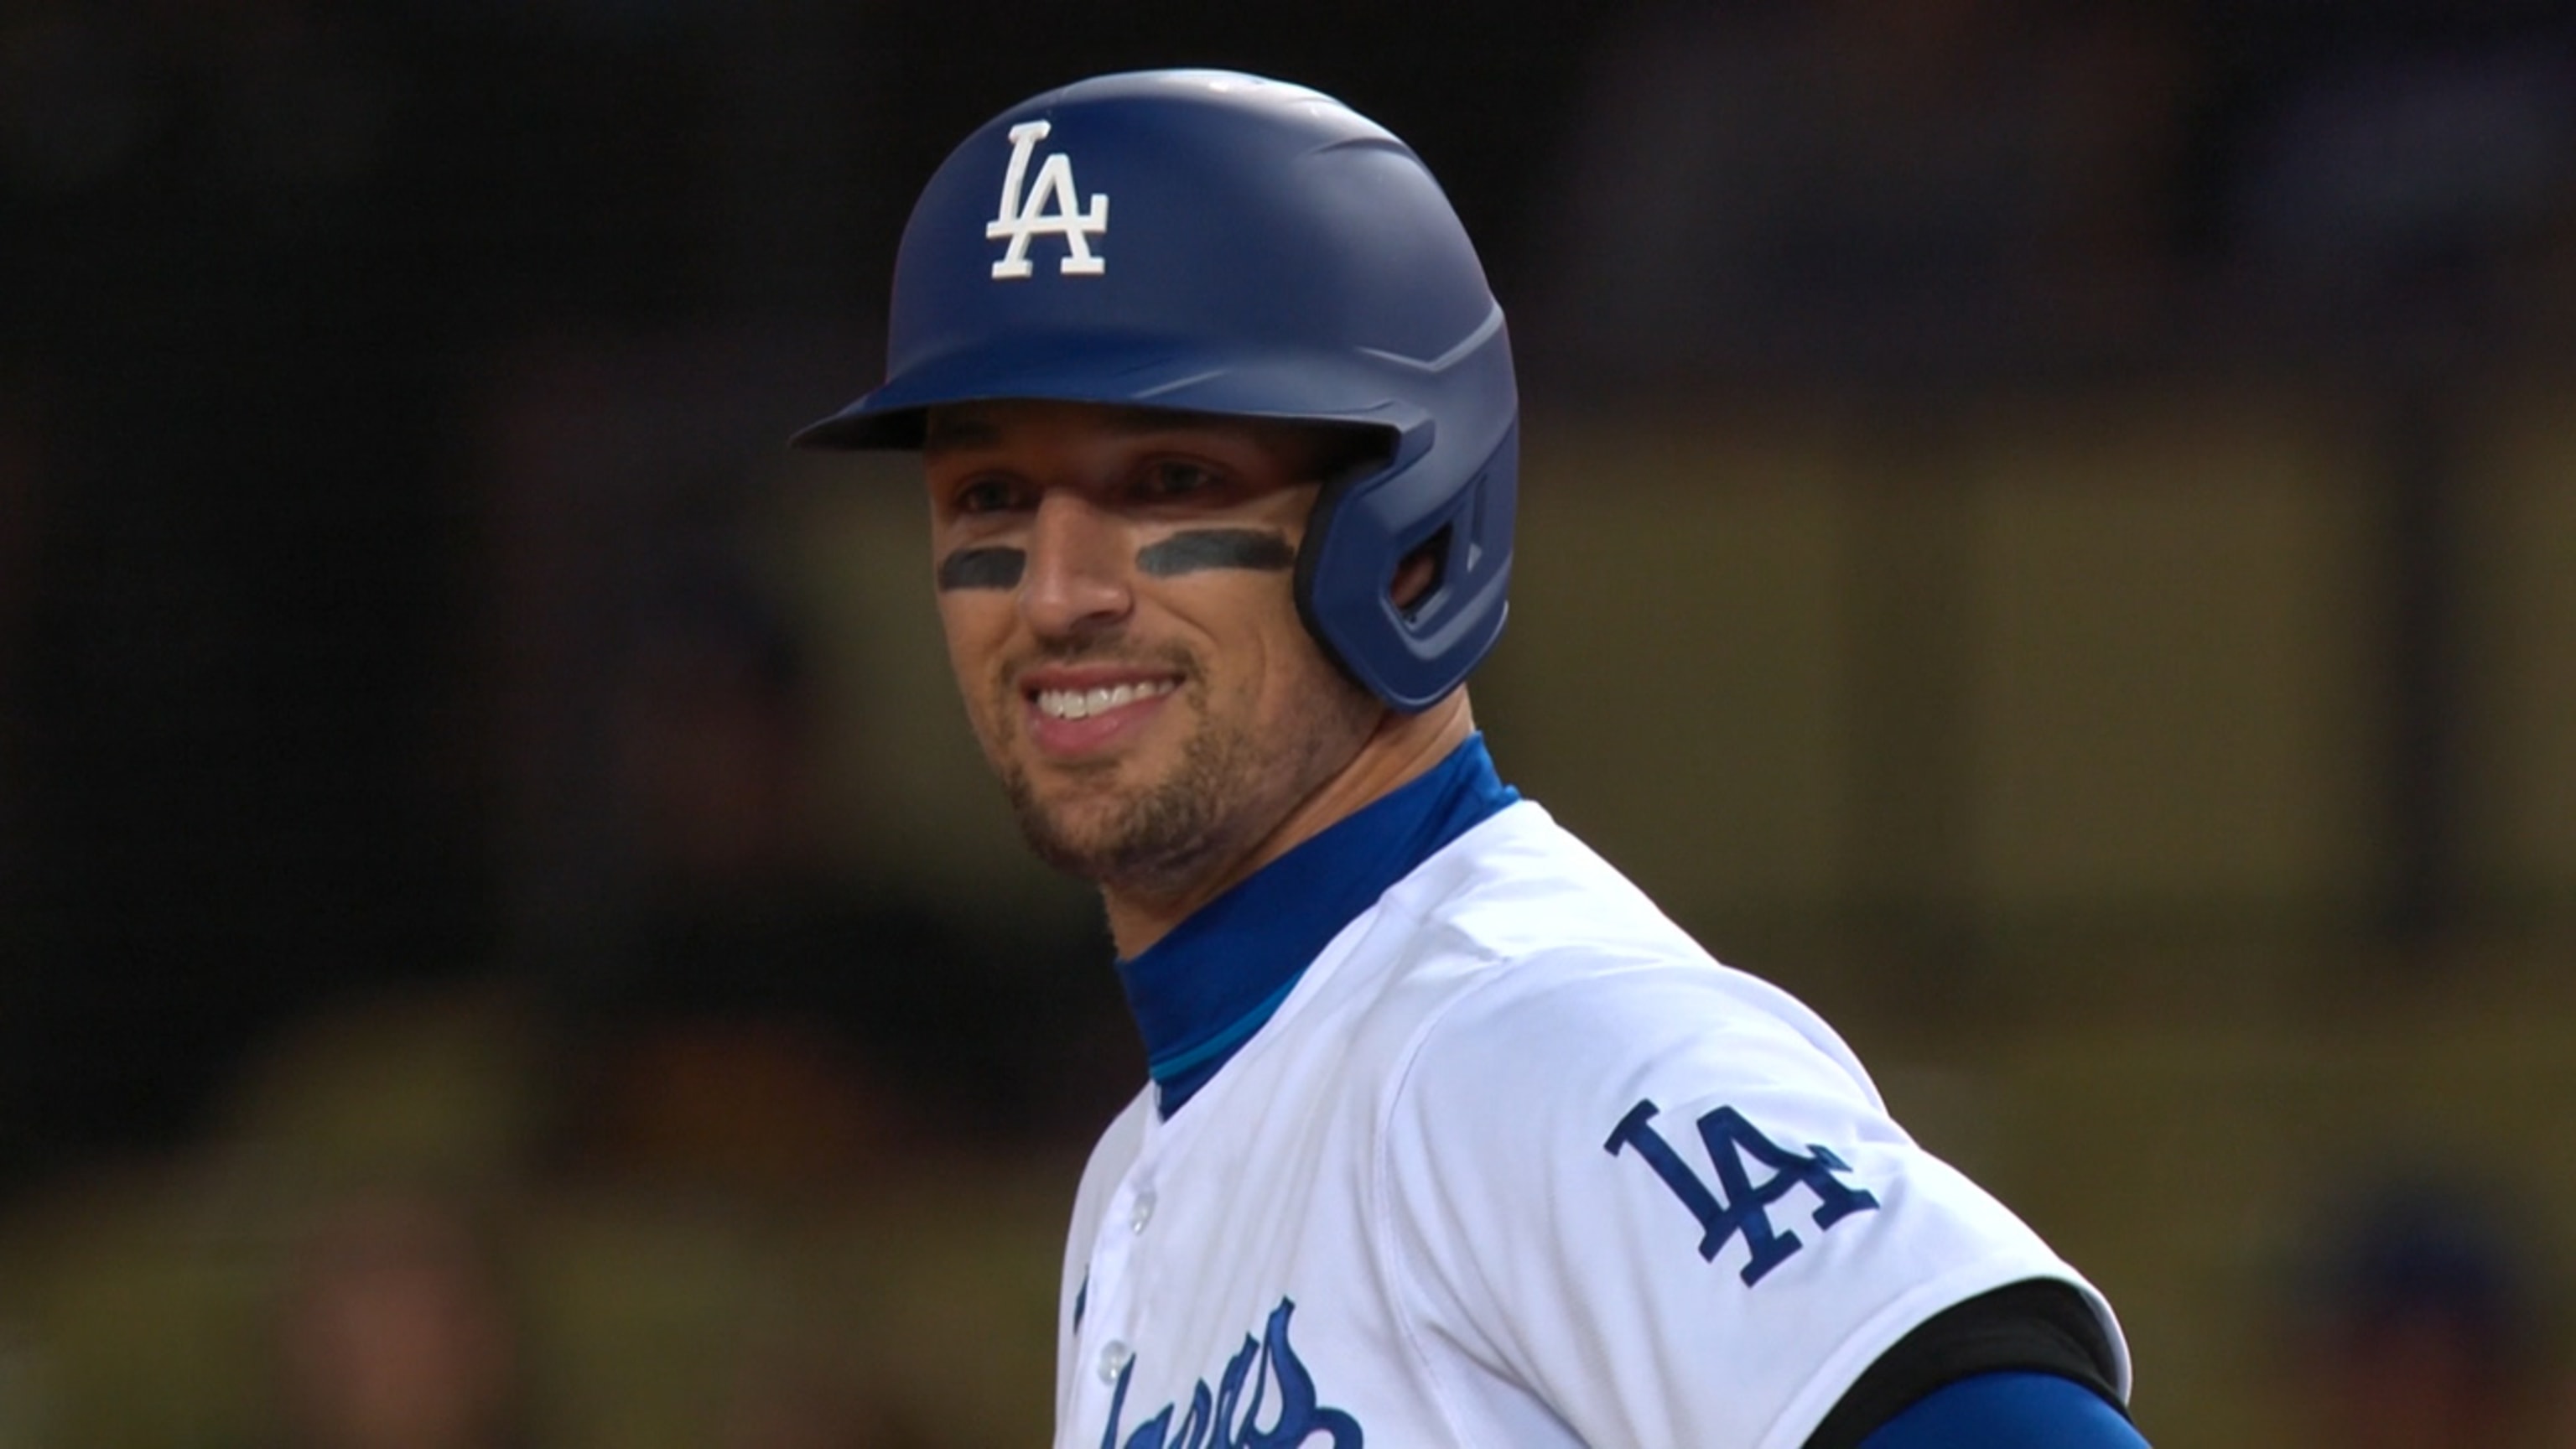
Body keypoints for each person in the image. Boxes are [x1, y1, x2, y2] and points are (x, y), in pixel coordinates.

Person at [795, 69, 2147, 1449]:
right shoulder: (1141, 1170)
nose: (1055, 591)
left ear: (1416, 529)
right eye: (990, 497)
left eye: (1169, 483)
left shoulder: (1530, 1040)